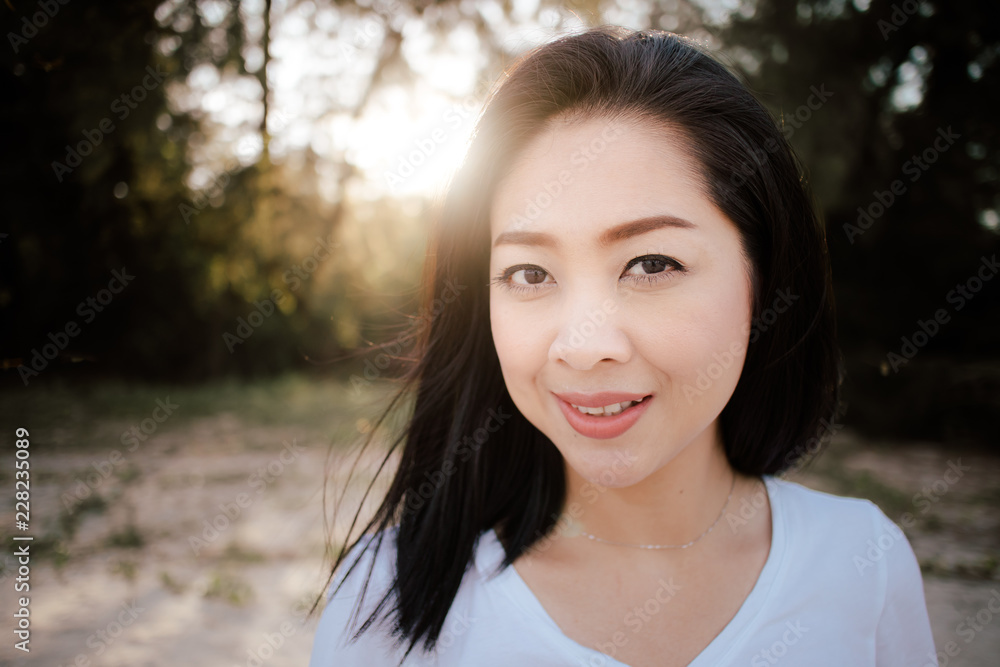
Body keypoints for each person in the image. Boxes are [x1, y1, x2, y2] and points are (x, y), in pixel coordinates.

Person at [308, 25, 938, 667]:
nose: (584, 348)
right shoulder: (388, 598)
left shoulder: (864, 566)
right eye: (530, 273)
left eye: (652, 263)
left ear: (766, 278)